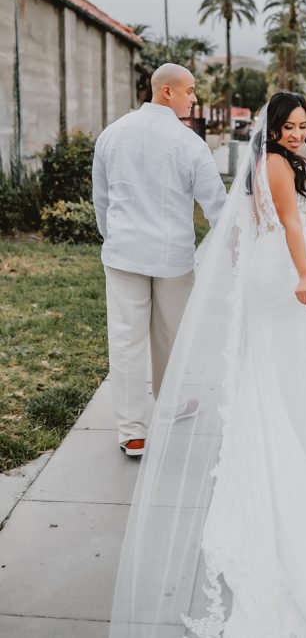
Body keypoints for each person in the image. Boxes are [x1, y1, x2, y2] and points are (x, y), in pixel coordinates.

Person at [109, 92, 306, 637]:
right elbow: (289, 223)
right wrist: (305, 275)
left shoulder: (266, 160)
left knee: (274, 366)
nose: (299, 133)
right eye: (291, 125)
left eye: (305, 125)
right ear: (274, 127)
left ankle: (294, 446)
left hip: (268, 267)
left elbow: (247, 226)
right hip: (282, 270)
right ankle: (287, 456)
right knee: (281, 367)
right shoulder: (278, 164)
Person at [92, 63, 226, 456]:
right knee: (172, 334)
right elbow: (215, 204)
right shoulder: (189, 144)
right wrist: (234, 247)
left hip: (123, 252)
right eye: (190, 90)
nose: (194, 97)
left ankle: (134, 430)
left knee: (126, 339)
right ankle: (168, 406)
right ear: (166, 91)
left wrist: (112, 236)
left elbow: (102, 200)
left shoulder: (111, 134)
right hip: (172, 256)